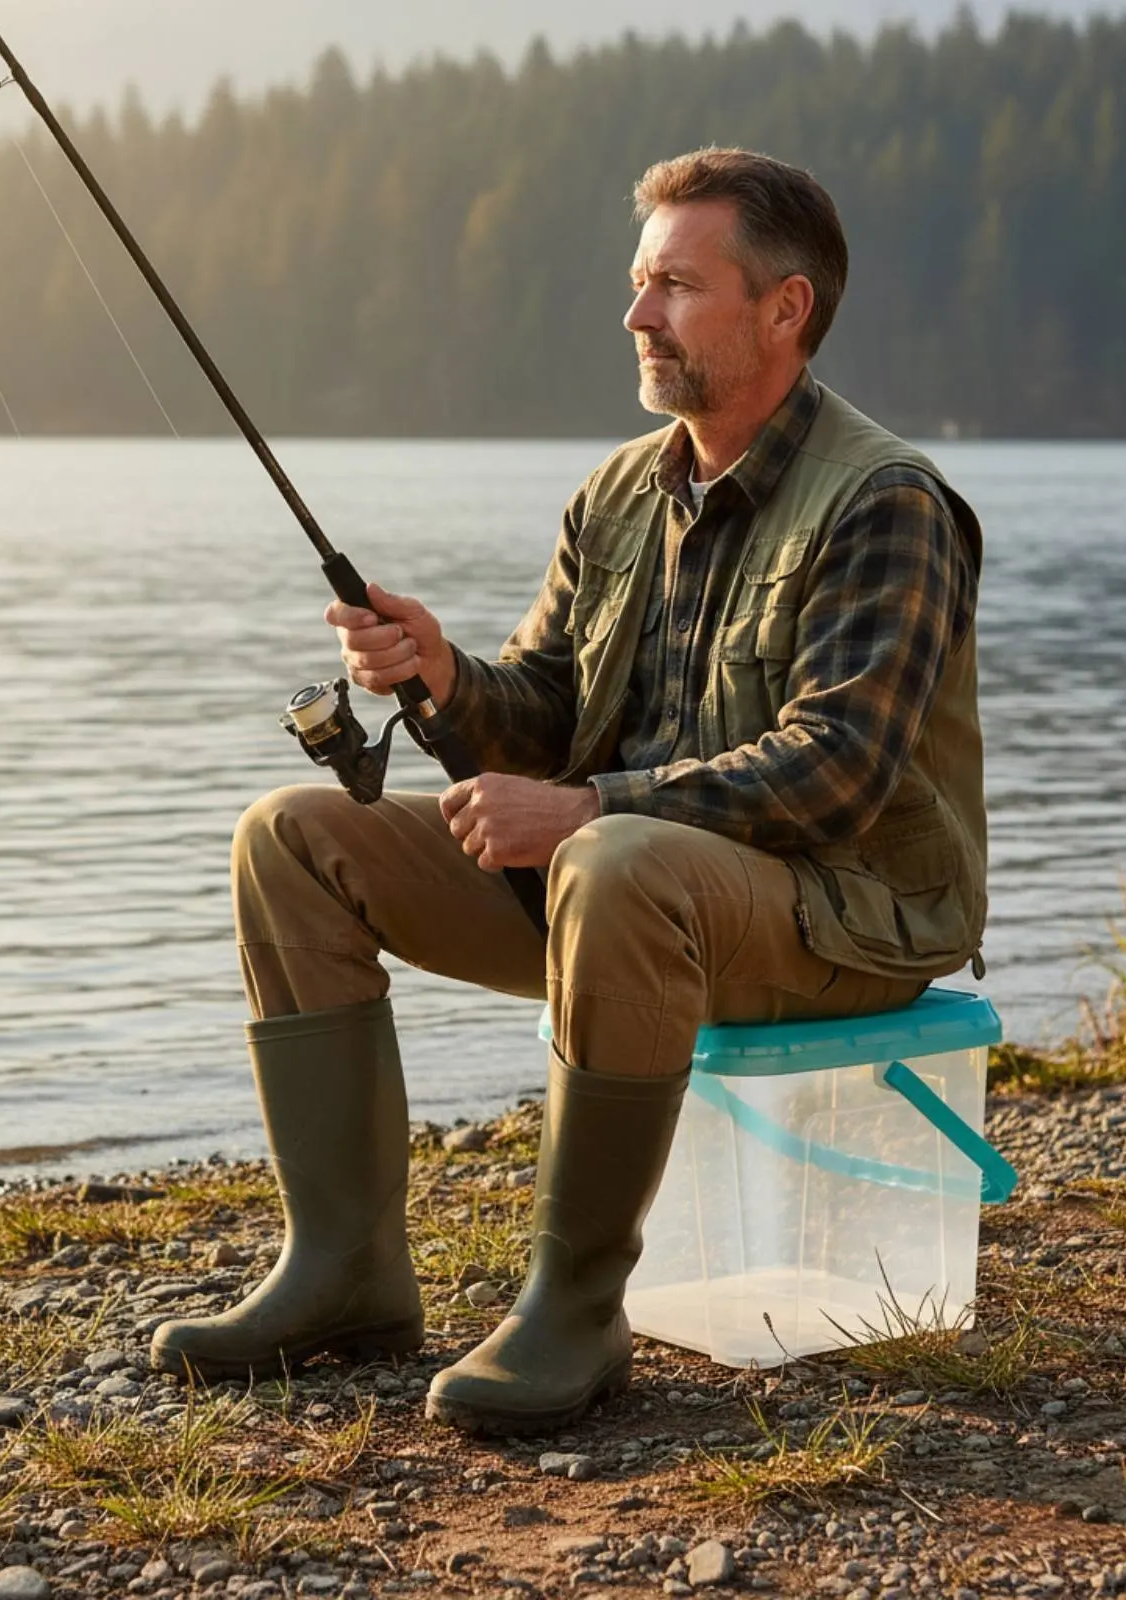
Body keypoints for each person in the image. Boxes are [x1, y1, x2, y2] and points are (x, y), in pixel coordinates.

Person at [150, 148, 986, 1436]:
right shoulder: (617, 494)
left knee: (613, 859)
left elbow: (839, 771)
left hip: (849, 915)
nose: (638, 316)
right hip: (634, 897)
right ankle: (344, 1275)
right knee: (293, 838)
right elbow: (542, 710)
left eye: (675, 287)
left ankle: (574, 1309)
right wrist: (441, 673)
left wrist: (592, 814)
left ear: (785, 309)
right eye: (637, 283)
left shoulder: (887, 505)